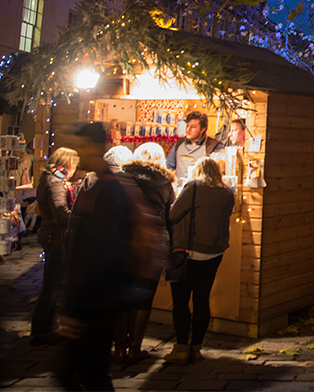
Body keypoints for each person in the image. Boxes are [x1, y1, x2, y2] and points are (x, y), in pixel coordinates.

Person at [61, 123, 159, 390]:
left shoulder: (108, 191)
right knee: (83, 374)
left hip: (97, 300)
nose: (78, 155)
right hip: (99, 297)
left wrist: (76, 306)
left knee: (89, 375)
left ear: (96, 147)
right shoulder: (106, 186)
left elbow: (100, 252)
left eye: (81, 148)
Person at [165, 157, 235, 364]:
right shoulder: (227, 192)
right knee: (201, 300)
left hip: (189, 252)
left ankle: (181, 348)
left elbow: (173, 214)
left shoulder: (193, 188)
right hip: (214, 253)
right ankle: (196, 348)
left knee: (180, 301)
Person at [117, 142, 176, 363]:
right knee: (144, 299)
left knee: (123, 297)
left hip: (128, 241)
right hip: (155, 243)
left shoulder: (124, 178)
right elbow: (171, 218)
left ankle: (120, 348)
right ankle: (134, 348)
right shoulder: (165, 183)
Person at [30, 147, 79, 346]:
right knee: (51, 286)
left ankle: (50, 325)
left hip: (50, 235)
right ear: (68, 164)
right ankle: (40, 330)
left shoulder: (48, 178)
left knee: (50, 284)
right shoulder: (56, 182)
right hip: (55, 237)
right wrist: (81, 219)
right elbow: (61, 212)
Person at [166, 111, 225, 182]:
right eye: (187, 126)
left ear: (202, 129)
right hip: (180, 191)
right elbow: (168, 168)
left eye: (193, 127)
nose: (188, 130)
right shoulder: (179, 144)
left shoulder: (214, 146)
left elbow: (220, 174)